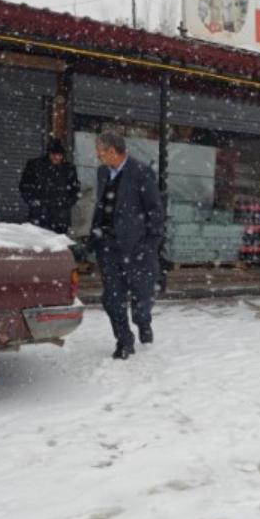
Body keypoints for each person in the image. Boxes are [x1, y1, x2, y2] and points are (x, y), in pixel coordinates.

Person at [88, 133, 163, 360]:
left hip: (136, 247)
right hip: (108, 246)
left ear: (112, 151)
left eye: (100, 152)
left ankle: (143, 322)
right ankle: (124, 341)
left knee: (142, 296)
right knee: (112, 298)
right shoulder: (103, 172)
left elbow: (155, 210)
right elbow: (102, 206)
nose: (98, 156)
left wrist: (150, 244)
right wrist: (95, 236)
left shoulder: (141, 172)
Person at [19, 139, 81, 234]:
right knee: (37, 241)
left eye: (60, 155)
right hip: (39, 215)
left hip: (61, 218)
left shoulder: (68, 169)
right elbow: (25, 186)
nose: (57, 158)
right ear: (49, 154)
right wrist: (33, 202)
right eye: (54, 155)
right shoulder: (35, 166)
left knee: (58, 242)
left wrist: (67, 203)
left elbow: (75, 190)